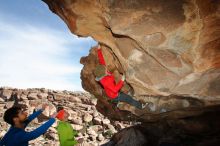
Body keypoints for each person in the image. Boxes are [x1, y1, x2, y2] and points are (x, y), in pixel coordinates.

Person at [94, 44, 147, 109]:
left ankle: (115, 102)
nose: (106, 68)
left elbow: (102, 61)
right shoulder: (105, 81)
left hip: (110, 92)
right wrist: (122, 80)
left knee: (116, 93)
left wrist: (99, 50)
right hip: (114, 94)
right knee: (128, 99)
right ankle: (141, 106)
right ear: (103, 73)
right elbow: (115, 90)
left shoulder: (102, 72)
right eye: (105, 69)